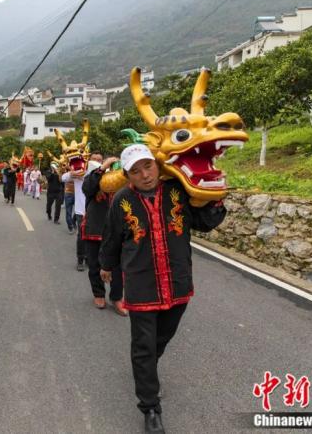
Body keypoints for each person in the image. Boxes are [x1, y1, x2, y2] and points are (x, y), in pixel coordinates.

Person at [99, 144, 227, 434]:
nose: (145, 175)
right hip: (141, 284)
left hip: (178, 282)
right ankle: (150, 407)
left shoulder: (177, 191)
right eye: (136, 171)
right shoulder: (121, 200)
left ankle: (148, 369)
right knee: (143, 346)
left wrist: (215, 197)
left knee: (161, 339)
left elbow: (204, 223)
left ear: (157, 165)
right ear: (127, 176)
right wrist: (106, 265)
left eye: (148, 166)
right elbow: (112, 238)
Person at [81, 152, 126, 315]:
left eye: (100, 160)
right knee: (95, 264)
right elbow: (87, 189)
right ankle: (99, 294)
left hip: (116, 230)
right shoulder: (91, 178)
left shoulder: (121, 178)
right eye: (95, 160)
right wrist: (102, 168)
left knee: (118, 266)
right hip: (95, 227)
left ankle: (117, 297)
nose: (98, 162)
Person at [62, 166, 86, 270]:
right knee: (82, 235)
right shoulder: (79, 172)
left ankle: (89, 257)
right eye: (94, 159)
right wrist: (71, 174)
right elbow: (63, 178)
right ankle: (80, 260)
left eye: (99, 160)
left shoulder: (101, 172)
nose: (96, 161)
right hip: (81, 211)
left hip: (95, 210)